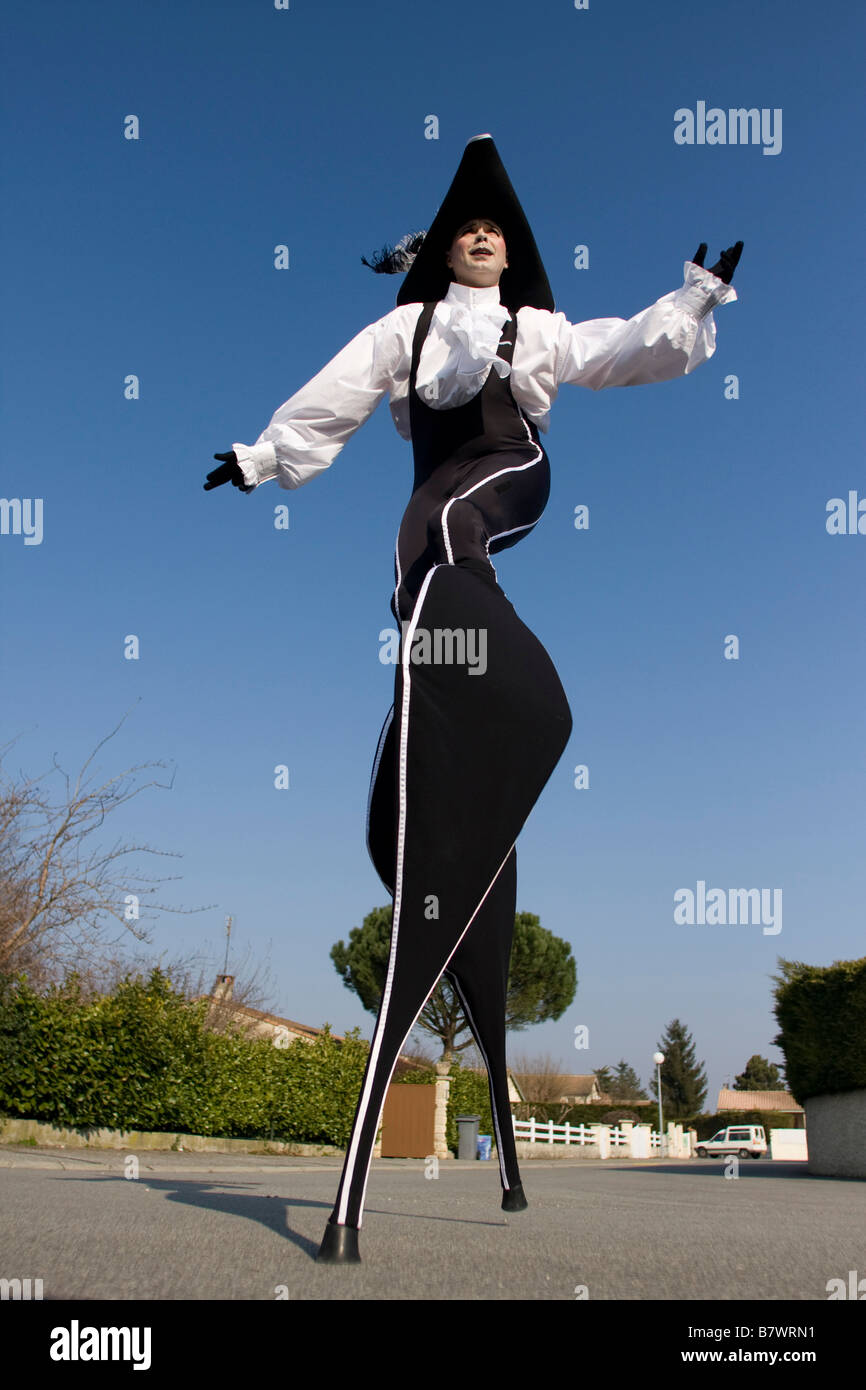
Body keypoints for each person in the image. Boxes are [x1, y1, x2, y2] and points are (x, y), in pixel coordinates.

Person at [204, 134, 742, 1264]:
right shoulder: (402, 331)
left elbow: (615, 350)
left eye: (495, 228)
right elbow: (336, 395)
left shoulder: (533, 330)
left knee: (450, 531)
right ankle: (434, 722)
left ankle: (499, 680)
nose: (480, 235)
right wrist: (262, 459)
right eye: (463, 228)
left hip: (510, 476)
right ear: (444, 247)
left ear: (513, 248)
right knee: (411, 556)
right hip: (432, 505)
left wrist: (689, 303)